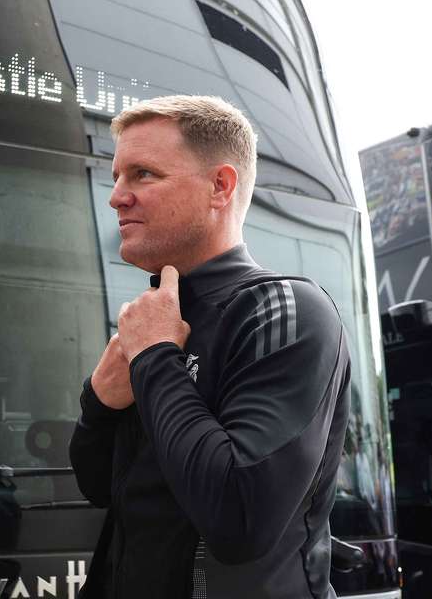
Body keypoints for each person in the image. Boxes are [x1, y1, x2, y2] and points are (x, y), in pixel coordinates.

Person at [69, 95, 351, 598]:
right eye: (116, 177)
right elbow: (97, 486)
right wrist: (99, 403)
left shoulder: (285, 309)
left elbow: (239, 518)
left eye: (143, 175)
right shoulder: (157, 317)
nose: (116, 196)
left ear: (220, 187)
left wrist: (156, 359)